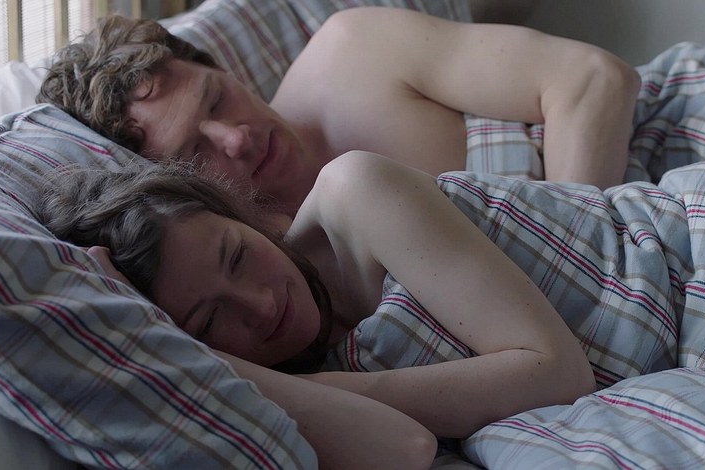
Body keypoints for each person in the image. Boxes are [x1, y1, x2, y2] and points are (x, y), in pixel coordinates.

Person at [37, 151, 597, 465]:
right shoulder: (275, 387)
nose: (261, 305)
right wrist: (191, 358)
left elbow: (561, 374)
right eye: (208, 322)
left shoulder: (353, 191)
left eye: (238, 256)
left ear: (234, 213)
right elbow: (405, 449)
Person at [37, 6, 640, 214]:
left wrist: (581, 248)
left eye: (216, 99)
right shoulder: (261, 280)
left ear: (222, 69)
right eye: (195, 152)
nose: (237, 139)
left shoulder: (353, 54)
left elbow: (595, 80)